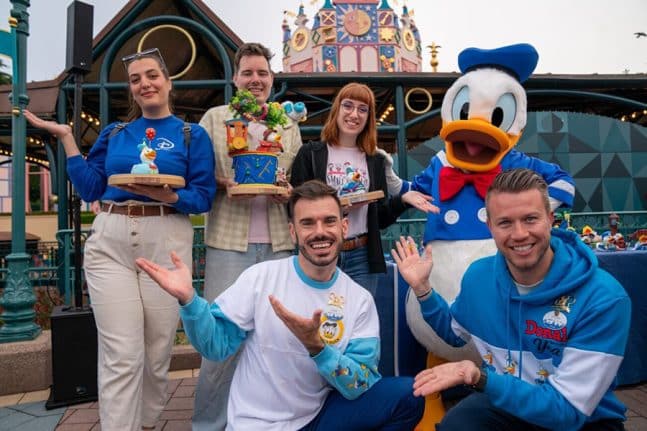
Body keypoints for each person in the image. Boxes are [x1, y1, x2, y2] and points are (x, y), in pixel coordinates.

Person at [24, 48, 216, 431]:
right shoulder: (115, 133)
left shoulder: (191, 135)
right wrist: (67, 139)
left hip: (165, 239)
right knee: (121, 353)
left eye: (152, 75)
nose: (144, 83)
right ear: (131, 89)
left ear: (167, 81)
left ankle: (146, 423)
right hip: (110, 238)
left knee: (158, 350)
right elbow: (93, 185)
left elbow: (204, 195)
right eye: (135, 79)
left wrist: (171, 196)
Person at [136, 180, 425, 430]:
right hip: (256, 424)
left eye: (329, 221)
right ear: (293, 232)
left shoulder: (359, 300)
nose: (320, 232)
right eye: (307, 223)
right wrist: (189, 300)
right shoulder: (261, 278)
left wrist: (318, 348)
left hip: (317, 416)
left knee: (408, 396)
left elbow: (360, 383)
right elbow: (215, 345)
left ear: (344, 226)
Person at [392, 168, 631, 431]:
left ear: (551, 219)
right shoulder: (478, 276)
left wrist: (479, 377)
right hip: (508, 405)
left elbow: (566, 411)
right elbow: (454, 332)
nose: (519, 234)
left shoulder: (603, 297)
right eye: (505, 223)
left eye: (530, 219)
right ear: (490, 227)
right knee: (456, 425)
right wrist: (423, 289)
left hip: (582, 420)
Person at [195, 42, 302, 430]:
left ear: (272, 81)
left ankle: (271, 421)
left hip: (279, 243)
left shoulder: (287, 125)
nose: (255, 80)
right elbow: (199, 176)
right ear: (235, 78)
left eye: (262, 74)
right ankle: (209, 425)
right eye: (248, 73)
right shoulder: (215, 118)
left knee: (276, 339)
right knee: (218, 339)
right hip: (228, 241)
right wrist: (219, 181)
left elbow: (298, 182)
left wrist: (291, 191)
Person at [290, 82, 437, 297]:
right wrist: (339, 206)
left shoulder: (375, 160)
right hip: (321, 252)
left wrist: (403, 199)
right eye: (348, 106)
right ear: (337, 110)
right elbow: (295, 207)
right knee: (321, 322)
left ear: (368, 117)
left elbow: (381, 218)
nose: (354, 114)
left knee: (359, 322)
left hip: (362, 255)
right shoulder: (311, 153)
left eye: (362, 109)